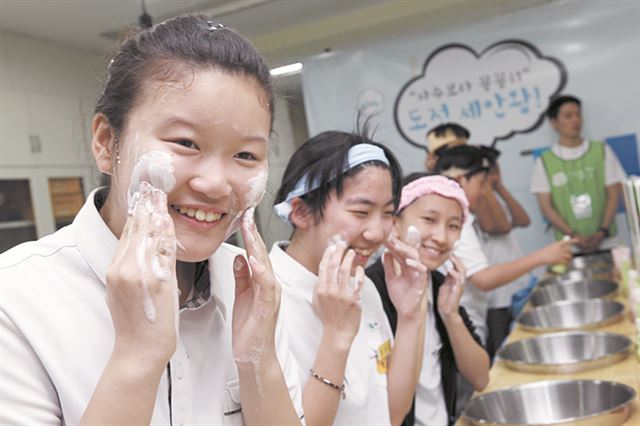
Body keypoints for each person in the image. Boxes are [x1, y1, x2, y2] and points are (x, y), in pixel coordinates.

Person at [0, 15, 303, 425]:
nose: (216, 185)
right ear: (108, 143)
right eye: (185, 143)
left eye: (245, 155)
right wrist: (135, 359)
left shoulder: (248, 295)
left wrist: (258, 363)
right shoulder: (16, 301)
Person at [270, 130, 429, 425]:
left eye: (388, 213)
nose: (378, 232)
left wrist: (410, 315)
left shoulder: (362, 285)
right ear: (301, 212)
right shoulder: (266, 299)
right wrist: (337, 336)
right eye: (361, 212)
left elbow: (393, 413)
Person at [434, 144, 574, 416]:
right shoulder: (455, 222)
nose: (483, 191)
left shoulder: (464, 217)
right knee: (466, 405)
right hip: (459, 324)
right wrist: (541, 257)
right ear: (461, 180)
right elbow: (483, 279)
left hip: (469, 320)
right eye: (481, 183)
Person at [367, 173, 489, 426]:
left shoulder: (438, 285)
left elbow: (480, 378)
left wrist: (451, 315)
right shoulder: (368, 291)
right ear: (395, 223)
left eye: (453, 226)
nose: (442, 237)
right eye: (429, 220)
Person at [530, 95, 626, 253]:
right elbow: (546, 207)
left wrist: (602, 231)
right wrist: (573, 235)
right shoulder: (545, 161)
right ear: (554, 123)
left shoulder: (601, 150)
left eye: (578, 114)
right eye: (568, 116)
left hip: (607, 242)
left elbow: (614, 193)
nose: (575, 120)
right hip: (569, 248)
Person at [473, 146, 533, 358]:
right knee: (504, 354)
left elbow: (523, 220)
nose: (496, 174)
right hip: (497, 297)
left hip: (518, 287)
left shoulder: (494, 196)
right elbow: (499, 226)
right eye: (491, 171)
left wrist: (500, 187)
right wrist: (487, 187)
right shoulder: (478, 202)